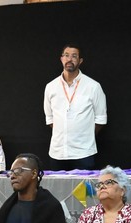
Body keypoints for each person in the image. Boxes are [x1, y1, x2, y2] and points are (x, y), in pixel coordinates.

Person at [43, 43, 107, 171]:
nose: (69, 59)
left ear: (80, 61)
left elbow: (100, 119)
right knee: (57, 190)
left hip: (84, 153)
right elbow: (50, 119)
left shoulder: (93, 86)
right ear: (61, 59)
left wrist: (84, 136)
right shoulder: (51, 87)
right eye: (66, 55)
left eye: (74, 56)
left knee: (83, 191)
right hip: (58, 152)